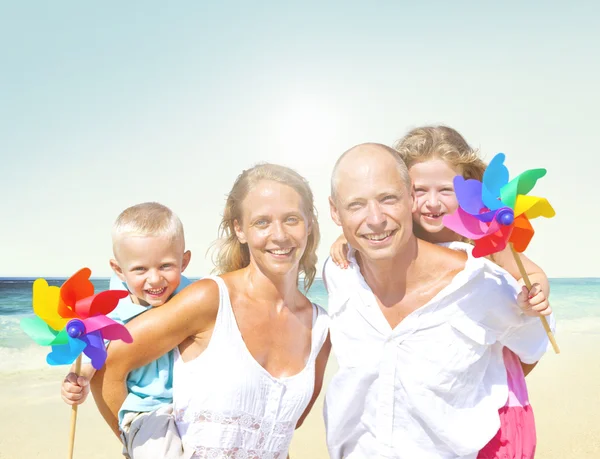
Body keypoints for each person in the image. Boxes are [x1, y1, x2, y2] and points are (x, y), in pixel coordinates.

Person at [329, 126, 552, 458]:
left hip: (492, 384)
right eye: (419, 190)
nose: (431, 203)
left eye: (446, 190)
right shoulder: (383, 234)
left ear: (468, 191)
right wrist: (348, 237)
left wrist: (535, 294)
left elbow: (530, 280)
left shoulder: (481, 242)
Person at [91, 163, 331, 458]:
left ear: (309, 223)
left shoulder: (321, 328)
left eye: (291, 219)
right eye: (262, 222)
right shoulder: (208, 300)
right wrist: (141, 443)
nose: (279, 235)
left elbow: (279, 432)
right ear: (239, 229)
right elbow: (106, 367)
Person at [61, 202, 192, 458]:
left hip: (195, 402)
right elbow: (95, 357)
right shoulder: (110, 313)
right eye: (140, 269)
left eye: (166, 265)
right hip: (147, 409)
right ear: (119, 269)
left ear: (184, 261)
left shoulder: (193, 298)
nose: (154, 279)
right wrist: (79, 380)